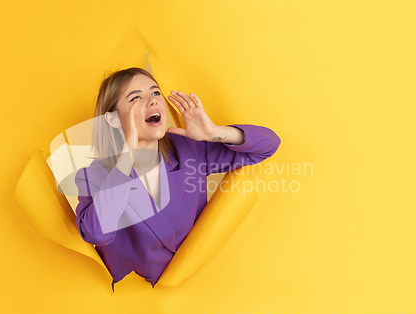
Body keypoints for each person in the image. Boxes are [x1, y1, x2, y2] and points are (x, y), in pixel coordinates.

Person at [75, 67, 281, 291]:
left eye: (155, 93)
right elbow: (96, 233)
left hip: (199, 289)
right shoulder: (94, 175)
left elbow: (268, 145)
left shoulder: (187, 149)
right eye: (135, 98)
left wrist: (213, 133)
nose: (152, 101)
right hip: (134, 304)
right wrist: (125, 162)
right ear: (113, 120)